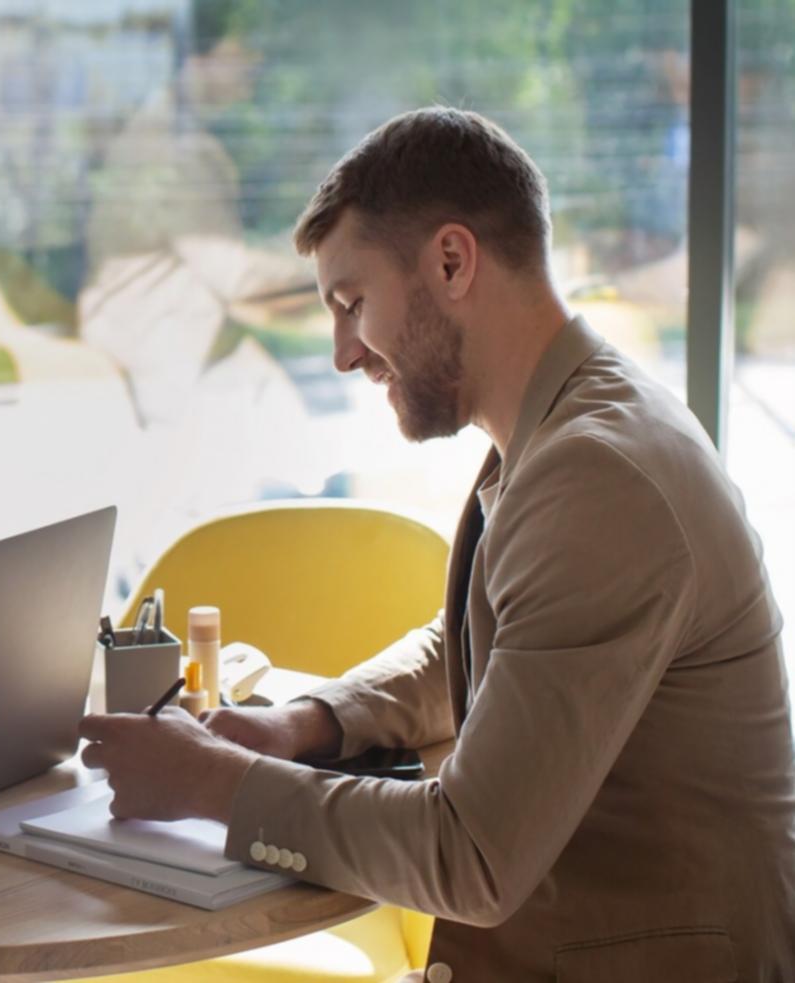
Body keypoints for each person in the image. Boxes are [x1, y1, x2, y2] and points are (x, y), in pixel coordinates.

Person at [78, 108, 795, 981]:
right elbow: (497, 645)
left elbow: (469, 855)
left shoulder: (597, 476)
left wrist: (210, 782)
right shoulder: (573, 423)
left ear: (451, 261)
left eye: (352, 304)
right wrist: (303, 722)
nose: (343, 354)